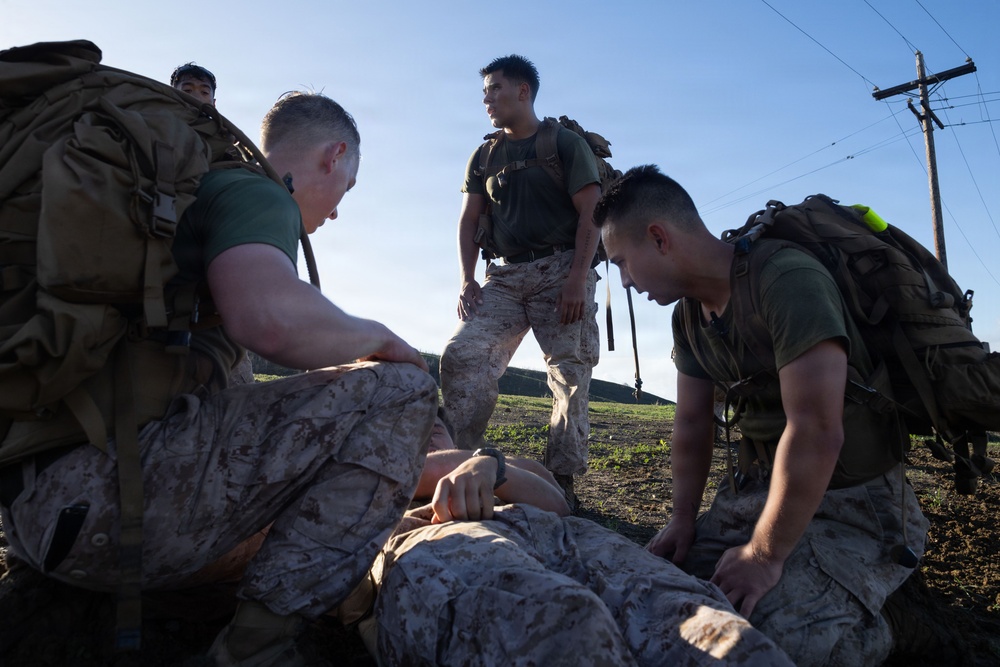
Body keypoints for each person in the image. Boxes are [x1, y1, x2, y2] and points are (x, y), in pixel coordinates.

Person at [0, 91, 438, 667]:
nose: (335, 213)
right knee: (403, 391)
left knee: (235, 372)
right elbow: (269, 319)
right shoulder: (256, 191)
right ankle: (252, 652)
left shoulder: (182, 199)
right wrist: (388, 343)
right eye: (345, 191)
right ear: (334, 156)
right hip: (103, 514)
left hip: (33, 513)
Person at [592, 165, 930, 667]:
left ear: (659, 237)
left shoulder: (786, 280)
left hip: (856, 503)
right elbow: (691, 425)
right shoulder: (689, 316)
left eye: (622, 263)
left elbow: (816, 430)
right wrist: (684, 518)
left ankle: (887, 620)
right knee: (657, 599)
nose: (625, 281)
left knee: (764, 643)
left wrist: (765, 557)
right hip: (759, 493)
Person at [361, 408, 794, 667]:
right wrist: (472, 463)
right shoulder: (360, 490)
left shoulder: (493, 462)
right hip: (446, 542)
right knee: (565, 628)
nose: (422, 433)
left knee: (723, 638)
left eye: (433, 426)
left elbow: (558, 503)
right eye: (403, 428)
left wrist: (490, 466)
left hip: (570, 539)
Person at [439, 54, 602, 511]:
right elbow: (470, 217)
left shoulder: (564, 143)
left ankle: (562, 481)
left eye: (495, 89)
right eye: (485, 92)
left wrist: (576, 280)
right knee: (463, 354)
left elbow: (591, 213)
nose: (487, 99)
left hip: (562, 268)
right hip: (505, 275)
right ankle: (456, 461)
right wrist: (467, 279)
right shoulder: (485, 154)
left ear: (523, 91)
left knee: (570, 373)